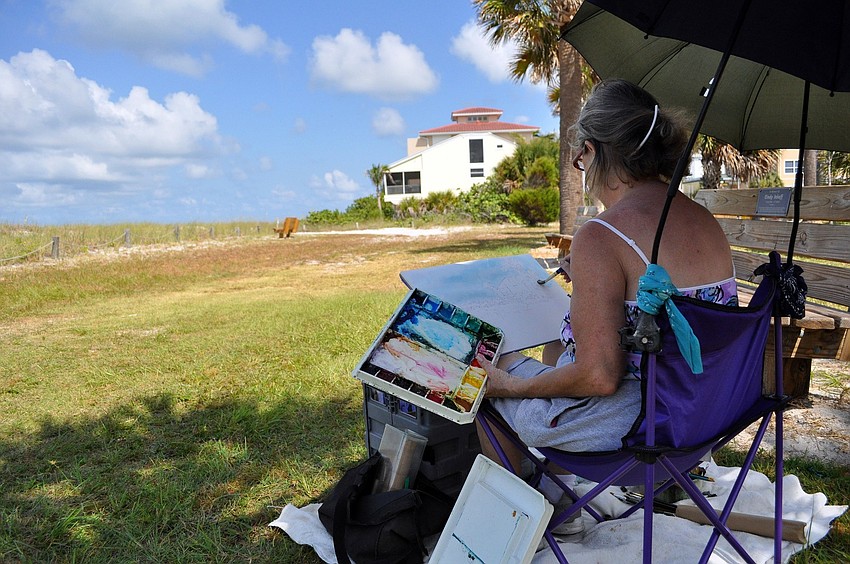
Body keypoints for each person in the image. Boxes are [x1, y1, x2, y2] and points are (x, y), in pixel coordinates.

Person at [475, 79, 739, 534]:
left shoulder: (601, 235)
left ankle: (522, 522)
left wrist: (503, 386)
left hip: (643, 429)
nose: (581, 166)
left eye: (580, 156)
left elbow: (599, 377)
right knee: (553, 358)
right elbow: (664, 301)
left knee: (484, 380)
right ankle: (557, 500)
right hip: (706, 416)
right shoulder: (704, 220)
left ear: (594, 152)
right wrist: (596, 282)